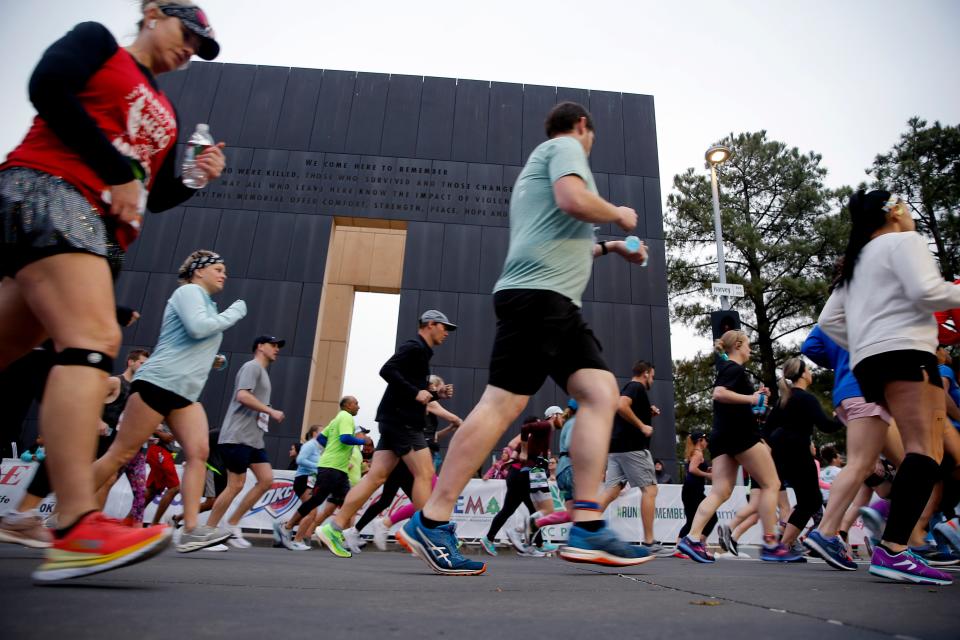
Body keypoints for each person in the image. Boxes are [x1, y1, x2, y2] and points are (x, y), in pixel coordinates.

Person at [0, 2, 225, 580]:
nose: (189, 50)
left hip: (98, 232)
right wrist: (115, 169)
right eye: (186, 34)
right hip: (48, 190)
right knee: (94, 338)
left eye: (200, 48)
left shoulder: (168, 114)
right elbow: (47, 86)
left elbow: (153, 193)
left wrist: (195, 178)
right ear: (153, 13)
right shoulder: (99, 43)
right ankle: (75, 525)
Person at [396, 101, 652, 575]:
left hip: (558, 303)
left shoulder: (544, 163)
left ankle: (587, 525)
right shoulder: (565, 147)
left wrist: (611, 247)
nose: (589, 146)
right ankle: (431, 519)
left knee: (601, 393)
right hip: (539, 297)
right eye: (590, 137)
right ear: (582, 127)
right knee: (502, 404)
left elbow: (561, 236)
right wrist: (619, 215)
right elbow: (573, 201)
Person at [818, 189, 960, 585]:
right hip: (907, 353)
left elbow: (829, 321)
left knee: (919, 452)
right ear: (895, 211)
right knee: (924, 452)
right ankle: (895, 548)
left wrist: (867, 343)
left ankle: (894, 536)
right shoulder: (904, 241)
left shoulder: (858, 261)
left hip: (870, 364)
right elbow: (927, 292)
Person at [91, 249, 245, 554]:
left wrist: (212, 360)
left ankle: (190, 530)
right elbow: (198, 328)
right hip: (159, 382)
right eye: (218, 268)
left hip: (185, 392)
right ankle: (69, 507)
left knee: (199, 453)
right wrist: (235, 312)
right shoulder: (189, 291)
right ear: (199, 271)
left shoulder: (207, 303)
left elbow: (190, 338)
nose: (223, 274)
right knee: (121, 453)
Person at [316, 312, 455, 557]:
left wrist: (435, 394)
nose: (446, 333)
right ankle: (426, 536)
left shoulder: (421, 351)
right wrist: (416, 392)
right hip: (403, 423)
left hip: (394, 420)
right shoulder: (415, 347)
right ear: (430, 325)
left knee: (375, 478)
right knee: (425, 474)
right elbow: (387, 370)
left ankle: (334, 527)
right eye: (444, 327)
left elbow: (409, 388)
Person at [677, 330, 800, 563]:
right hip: (741, 436)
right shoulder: (734, 369)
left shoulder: (728, 369)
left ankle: (692, 538)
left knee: (720, 491)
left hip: (722, 435)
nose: (751, 349)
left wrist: (754, 396)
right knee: (771, 483)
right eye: (749, 345)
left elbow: (731, 399)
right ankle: (770, 543)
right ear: (740, 344)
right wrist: (752, 399)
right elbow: (719, 393)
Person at [799, 323, 905, 570]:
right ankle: (830, 532)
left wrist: (841, 358)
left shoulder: (840, 308)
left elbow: (810, 346)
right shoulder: (875, 305)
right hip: (868, 389)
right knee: (868, 464)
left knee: (891, 464)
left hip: (846, 390)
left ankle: (895, 535)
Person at [205, 336, 286, 548]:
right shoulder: (252, 367)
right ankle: (208, 533)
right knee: (235, 485)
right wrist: (270, 410)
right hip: (237, 436)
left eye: (279, 346)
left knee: (266, 479)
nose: (277, 349)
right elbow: (242, 396)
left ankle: (230, 524)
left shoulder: (263, 373)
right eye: (273, 345)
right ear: (260, 346)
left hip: (254, 440)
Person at [765, 357, 843, 557]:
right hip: (799, 454)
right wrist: (841, 417)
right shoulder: (806, 399)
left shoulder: (784, 399)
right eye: (809, 369)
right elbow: (826, 426)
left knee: (806, 500)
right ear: (802, 374)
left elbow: (766, 429)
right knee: (811, 501)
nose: (811, 372)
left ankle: (784, 543)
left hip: (782, 457)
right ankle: (783, 545)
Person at [275, 396, 370, 552]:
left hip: (339, 469)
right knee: (316, 501)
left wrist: (333, 448)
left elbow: (321, 438)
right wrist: (362, 441)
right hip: (330, 468)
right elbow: (345, 438)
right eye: (356, 404)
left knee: (349, 502)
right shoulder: (346, 417)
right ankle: (287, 526)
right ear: (347, 406)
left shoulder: (335, 420)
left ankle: (342, 536)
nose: (358, 407)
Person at [480, 408, 565, 557]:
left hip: (520, 474)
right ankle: (533, 541)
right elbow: (524, 429)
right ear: (553, 416)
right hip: (521, 475)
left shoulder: (545, 432)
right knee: (535, 510)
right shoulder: (545, 426)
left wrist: (541, 463)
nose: (563, 420)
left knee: (513, 509)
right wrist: (524, 452)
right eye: (562, 416)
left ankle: (493, 539)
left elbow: (539, 451)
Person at [601, 360, 663, 553]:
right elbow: (621, 406)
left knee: (610, 493)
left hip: (617, 448)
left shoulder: (630, 389)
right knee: (650, 490)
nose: (652, 379)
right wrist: (642, 425)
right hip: (633, 448)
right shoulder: (636, 386)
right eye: (652, 376)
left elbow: (624, 409)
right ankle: (649, 542)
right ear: (645, 373)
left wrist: (646, 413)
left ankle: (582, 529)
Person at [676, 432, 714, 550]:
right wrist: (708, 475)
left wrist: (707, 469)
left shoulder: (695, 453)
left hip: (693, 490)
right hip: (692, 490)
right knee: (698, 519)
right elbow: (692, 469)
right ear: (700, 441)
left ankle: (697, 544)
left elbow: (695, 468)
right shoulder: (697, 453)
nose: (707, 442)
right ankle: (681, 546)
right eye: (705, 439)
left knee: (702, 518)